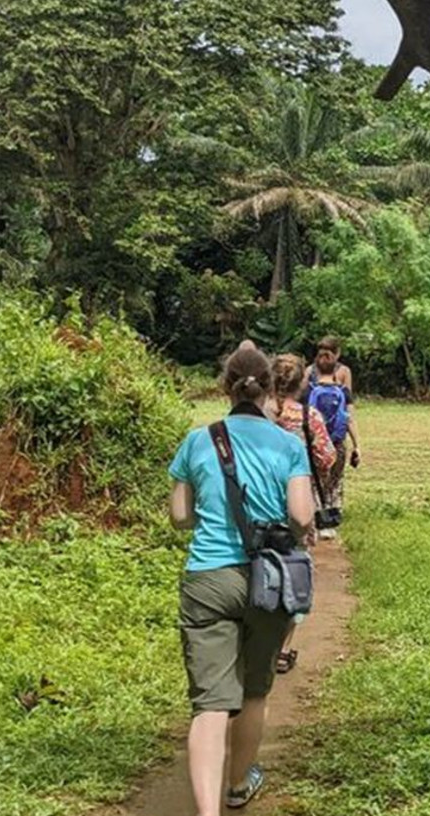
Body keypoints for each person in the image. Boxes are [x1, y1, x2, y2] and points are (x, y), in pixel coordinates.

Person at [167, 340, 314, 815]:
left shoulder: (197, 440)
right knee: (254, 691)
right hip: (268, 580)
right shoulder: (288, 444)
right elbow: (301, 516)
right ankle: (237, 785)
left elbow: (179, 516)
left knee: (210, 705)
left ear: (224, 388)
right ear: (269, 388)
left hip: (208, 579)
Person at [267, 353, 334, 675]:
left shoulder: (261, 416)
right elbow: (326, 458)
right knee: (294, 574)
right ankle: (281, 650)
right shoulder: (309, 416)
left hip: (257, 504)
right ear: (302, 383)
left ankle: (257, 642)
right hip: (298, 504)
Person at [297, 335, 359, 538]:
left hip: (314, 439)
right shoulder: (344, 376)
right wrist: (357, 445)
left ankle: (314, 520)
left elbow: (302, 407)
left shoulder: (309, 374)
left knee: (314, 481)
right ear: (337, 354)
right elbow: (348, 415)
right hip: (337, 439)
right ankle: (331, 521)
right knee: (335, 481)